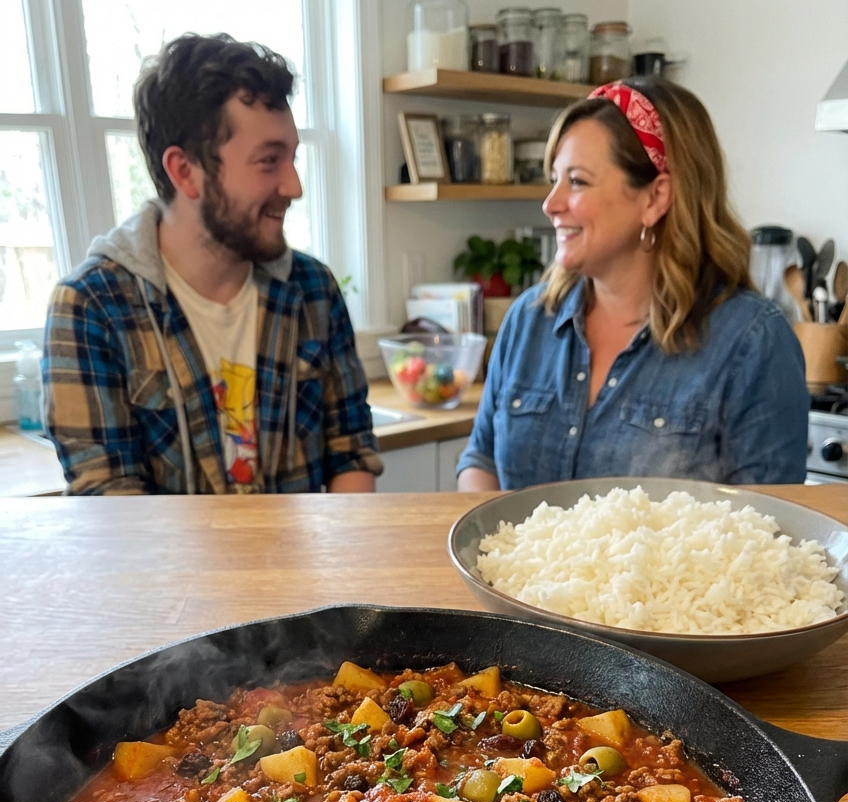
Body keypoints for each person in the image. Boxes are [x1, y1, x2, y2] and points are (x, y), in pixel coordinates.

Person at [43, 34, 381, 495]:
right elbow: (110, 502)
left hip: (307, 547)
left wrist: (344, 541)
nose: (294, 186)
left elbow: (351, 451)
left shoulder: (312, 289)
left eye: (293, 158)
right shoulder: (92, 306)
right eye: (269, 161)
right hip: (158, 550)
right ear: (185, 171)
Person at [456, 79, 808, 491]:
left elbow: (765, 520)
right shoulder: (528, 320)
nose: (550, 204)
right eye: (554, 179)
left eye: (577, 181)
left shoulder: (753, 341)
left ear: (655, 198)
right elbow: (481, 458)